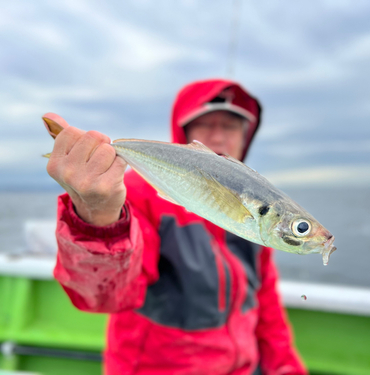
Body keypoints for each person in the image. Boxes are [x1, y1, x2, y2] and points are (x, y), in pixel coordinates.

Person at [45, 78, 308, 375]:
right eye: (206, 124)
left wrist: (285, 367)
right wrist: (98, 219)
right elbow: (104, 295)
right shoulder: (135, 191)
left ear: (246, 136)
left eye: (231, 126)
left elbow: (265, 304)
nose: (219, 137)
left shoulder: (260, 212)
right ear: (185, 133)